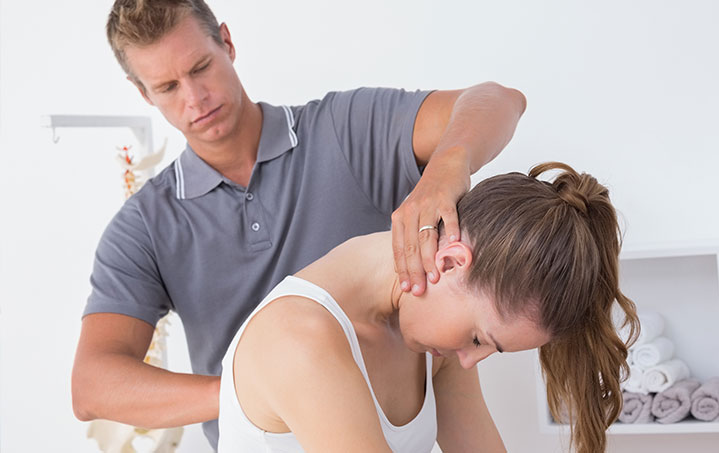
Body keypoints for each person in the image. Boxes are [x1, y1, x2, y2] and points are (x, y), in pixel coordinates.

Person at [70, 0, 527, 449]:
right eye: (168, 87)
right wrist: (253, 389)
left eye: (201, 67)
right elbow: (93, 386)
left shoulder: (345, 131)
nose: (195, 99)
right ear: (143, 94)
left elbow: (499, 100)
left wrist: (448, 167)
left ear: (227, 43)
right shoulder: (146, 226)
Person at [217, 162, 639, 453]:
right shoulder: (298, 337)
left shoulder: (434, 339)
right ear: (451, 261)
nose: (471, 360)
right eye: (479, 339)